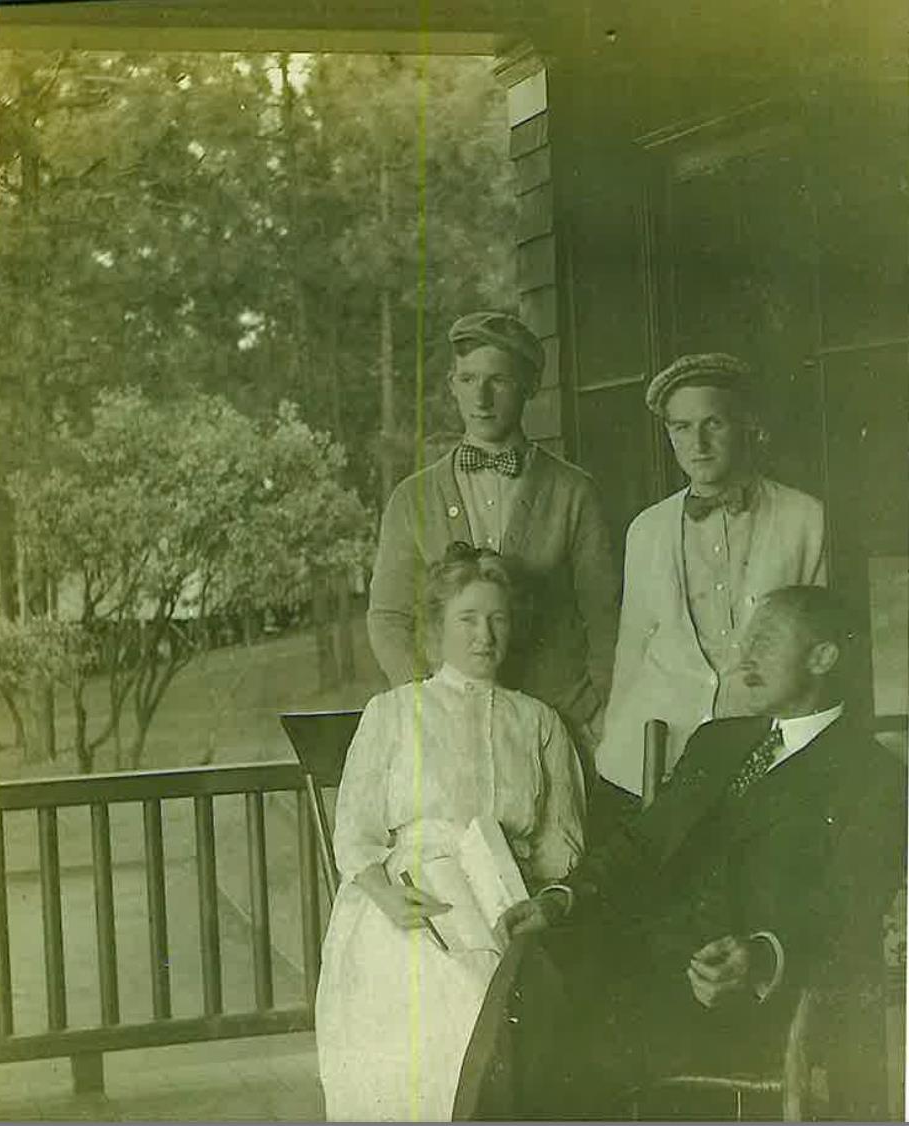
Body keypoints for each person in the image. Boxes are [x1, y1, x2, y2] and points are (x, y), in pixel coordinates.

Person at [460, 585, 905, 1119]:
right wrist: (561, 899)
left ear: (822, 656)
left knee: (567, 1044)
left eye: (765, 640)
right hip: (646, 958)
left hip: (737, 996)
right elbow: (640, 844)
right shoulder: (718, 740)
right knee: (534, 961)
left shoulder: (874, 777)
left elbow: (845, 912)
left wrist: (761, 955)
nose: (745, 656)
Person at [316, 543, 585, 1122]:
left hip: (509, 901)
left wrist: (537, 897)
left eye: (498, 618)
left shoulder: (538, 721)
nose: (484, 635)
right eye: (467, 619)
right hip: (410, 903)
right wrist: (388, 897)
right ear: (437, 628)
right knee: (456, 1005)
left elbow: (562, 845)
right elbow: (355, 831)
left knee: (522, 1011)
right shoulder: (392, 713)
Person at [367, 311, 618, 772]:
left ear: (528, 387)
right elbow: (388, 618)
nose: (480, 398)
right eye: (468, 379)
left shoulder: (573, 492)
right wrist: (431, 704)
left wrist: (594, 709)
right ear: (452, 384)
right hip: (449, 740)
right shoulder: (412, 499)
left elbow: (606, 618)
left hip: (558, 729)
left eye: (498, 381)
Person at [597, 352, 827, 798]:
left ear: (746, 425)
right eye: (681, 428)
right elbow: (632, 649)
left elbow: (819, 646)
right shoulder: (647, 529)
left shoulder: (805, 519)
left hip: (761, 744)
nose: (697, 443)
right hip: (660, 748)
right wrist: (614, 743)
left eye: (714, 424)